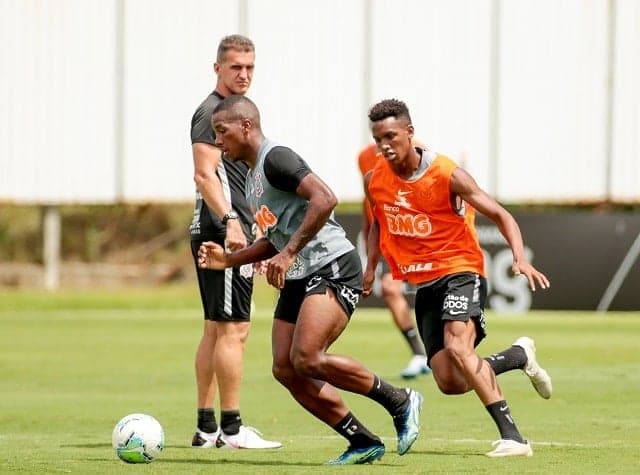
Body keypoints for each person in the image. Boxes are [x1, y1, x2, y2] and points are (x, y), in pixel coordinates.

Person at [197, 94, 424, 465]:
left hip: (331, 263)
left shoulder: (277, 157)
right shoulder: (253, 176)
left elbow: (325, 198)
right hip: (301, 273)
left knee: (307, 356)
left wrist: (287, 255)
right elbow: (275, 237)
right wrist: (230, 260)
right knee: (285, 368)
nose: (219, 142)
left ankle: (400, 400)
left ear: (246, 126)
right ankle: (362, 440)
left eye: (222, 132)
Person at [363, 98, 553, 458]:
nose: (385, 145)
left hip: (461, 268)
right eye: (377, 139)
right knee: (450, 382)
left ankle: (514, 438)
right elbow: (376, 224)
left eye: (390, 136)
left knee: (458, 347)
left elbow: (499, 213)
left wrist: (518, 258)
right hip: (424, 283)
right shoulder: (375, 180)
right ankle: (517, 356)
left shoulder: (446, 174)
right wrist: (371, 268)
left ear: (409, 132)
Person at [188, 34, 280, 450]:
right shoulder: (212, 112)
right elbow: (206, 175)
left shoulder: (231, 111)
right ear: (217, 69)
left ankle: (207, 429)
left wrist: (256, 227)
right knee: (234, 329)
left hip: (228, 228)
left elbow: (242, 181)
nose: (243, 75)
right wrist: (231, 224)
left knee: (215, 329)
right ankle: (232, 429)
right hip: (222, 232)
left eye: (250, 67)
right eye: (235, 67)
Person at [357, 143, 430, 379]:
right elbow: (370, 201)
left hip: (420, 235)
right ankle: (419, 353)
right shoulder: (365, 157)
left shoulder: (419, 150)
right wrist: (370, 257)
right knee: (389, 288)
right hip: (393, 238)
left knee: (431, 293)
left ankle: (437, 350)